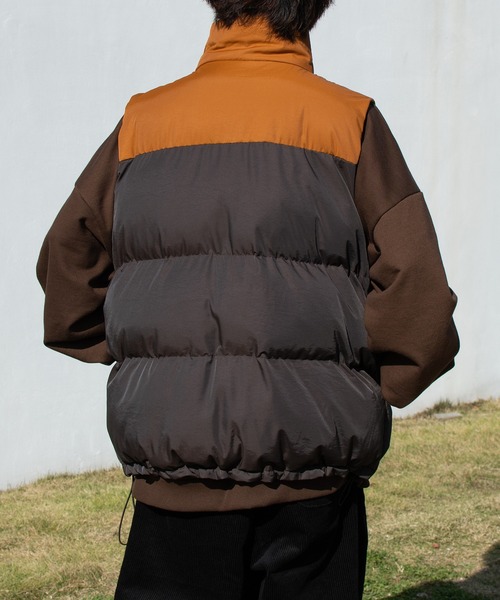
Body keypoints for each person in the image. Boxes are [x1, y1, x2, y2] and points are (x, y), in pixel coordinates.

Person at [37, 1, 459, 598]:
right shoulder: (348, 120)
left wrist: (142, 352)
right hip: (313, 464)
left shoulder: (143, 122)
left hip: (173, 459)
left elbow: (67, 261)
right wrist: (376, 383)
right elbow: (420, 292)